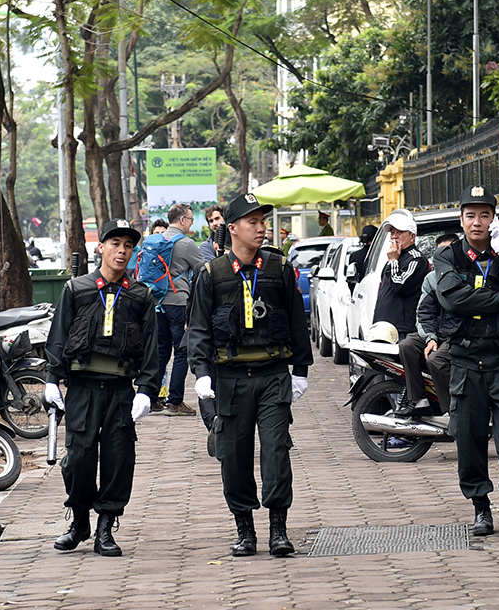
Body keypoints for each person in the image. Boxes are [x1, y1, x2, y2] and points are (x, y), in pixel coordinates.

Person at [186, 193, 313, 557]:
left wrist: (300, 370)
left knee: (276, 450)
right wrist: (202, 373)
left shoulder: (278, 268)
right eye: (253, 222)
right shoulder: (212, 274)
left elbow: (296, 323)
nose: (261, 228)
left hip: (273, 374)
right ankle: (244, 528)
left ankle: (278, 528)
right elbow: (198, 329)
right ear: (233, 229)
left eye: (263, 222)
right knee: (234, 454)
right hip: (230, 377)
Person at [42, 219, 160, 557]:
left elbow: (153, 348)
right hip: (82, 387)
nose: (121, 250)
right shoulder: (76, 289)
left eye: (128, 245)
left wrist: (146, 390)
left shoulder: (140, 296)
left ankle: (106, 528)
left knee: (118, 459)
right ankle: (80, 522)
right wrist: (52, 379)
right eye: (115, 243)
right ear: (101, 247)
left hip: (122, 390)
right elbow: (59, 337)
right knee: (77, 459)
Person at [434, 185, 499, 538]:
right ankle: (481, 508)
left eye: (484, 215)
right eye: (470, 215)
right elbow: (453, 298)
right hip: (466, 363)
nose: (477, 222)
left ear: (494, 219)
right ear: (461, 220)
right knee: (469, 440)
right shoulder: (448, 257)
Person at [396, 233, 457, 417]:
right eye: (440, 253)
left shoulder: (465, 276)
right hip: (436, 332)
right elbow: (424, 312)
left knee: (435, 360)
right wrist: (430, 338)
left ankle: (451, 411)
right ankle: (419, 400)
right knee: (407, 345)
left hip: (456, 334)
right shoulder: (432, 279)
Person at [155, 203, 204, 416]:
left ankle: (154, 398)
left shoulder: (153, 240)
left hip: (156, 303)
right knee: (182, 351)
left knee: (161, 352)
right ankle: (175, 401)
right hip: (178, 303)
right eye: (191, 219)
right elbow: (203, 271)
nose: (192, 222)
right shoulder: (186, 243)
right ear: (182, 220)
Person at [371, 209, 429, 339]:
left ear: (412, 236)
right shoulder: (395, 258)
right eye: (392, 232)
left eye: (400, 232)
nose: (394, 236)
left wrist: (393, 261)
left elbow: (399, 286)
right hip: (383, 327)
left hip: (401, 330)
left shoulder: (416, 259)